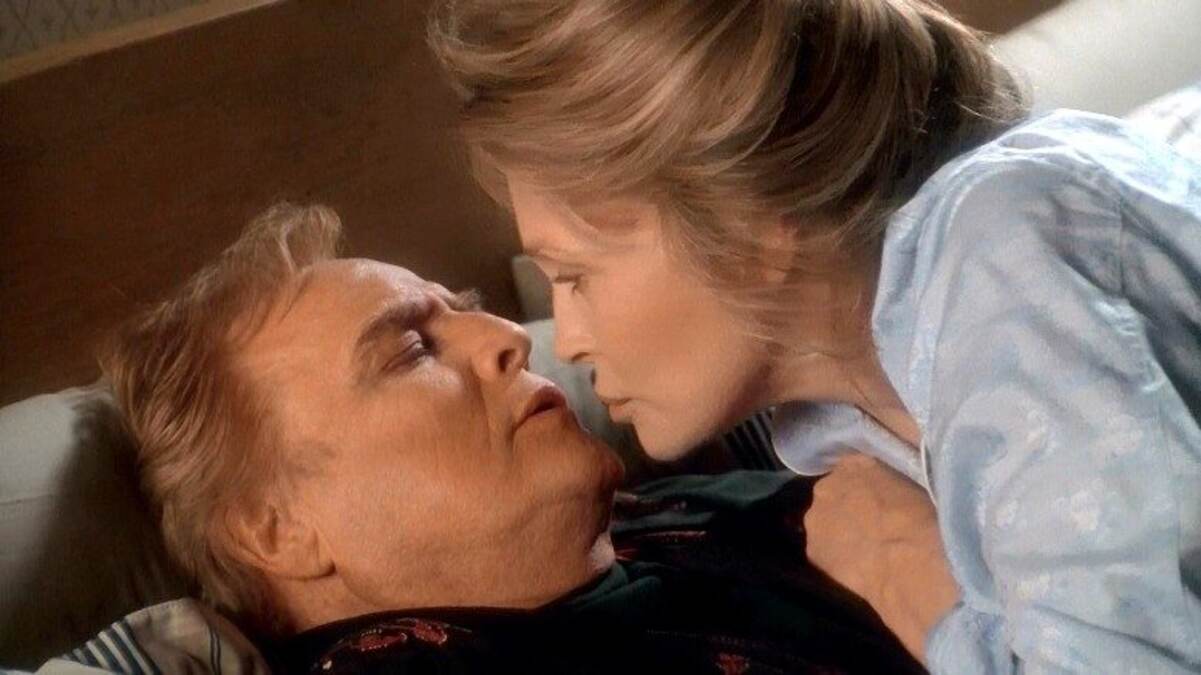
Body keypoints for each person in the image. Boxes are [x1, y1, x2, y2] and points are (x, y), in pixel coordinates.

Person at [427, 0, 1201, 671]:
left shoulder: (1007, 257)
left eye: (574, 275)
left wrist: (910, 577)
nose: (567, 340)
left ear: (748, 225)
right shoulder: (834, 421)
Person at [87, 203, 921, 674]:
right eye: (410, 350)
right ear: (276, 528)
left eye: (470, 309)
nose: (510, 336)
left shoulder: (678, 496)